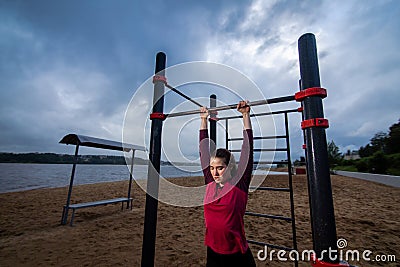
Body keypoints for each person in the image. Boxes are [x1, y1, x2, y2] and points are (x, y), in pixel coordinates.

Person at [199, 100, 256, 267]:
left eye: (220, 168)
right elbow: (203, 150)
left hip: (236, 253)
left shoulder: (239, 183)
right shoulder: (210, 181)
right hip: (212, 250)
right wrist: (203, 120)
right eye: (212, 168)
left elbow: (248, 150)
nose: (215, 173)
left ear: (230, 167)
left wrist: (245, 115)